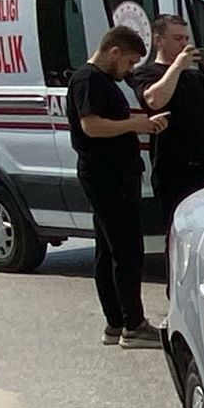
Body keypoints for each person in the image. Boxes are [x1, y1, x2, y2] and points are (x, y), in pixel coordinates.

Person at [68, 26, 169, 348]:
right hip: (105, 175)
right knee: (127, 251)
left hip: (113, 173)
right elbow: (91, 126)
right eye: (128, 62)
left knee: (108, 250)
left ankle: (115, 323)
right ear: (114, 52)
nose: (129, 70)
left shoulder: (101, 81)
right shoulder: (88, 80)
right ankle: (133, 325)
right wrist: (135, 125)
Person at [129, 15, 204, 229]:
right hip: (173, 167)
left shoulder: (196, 78)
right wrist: (176, 67)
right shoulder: (146, 73)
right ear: (158, 40)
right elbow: (154, 101)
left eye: (186, 39)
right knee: (177, 229)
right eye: (177, 38)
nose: (184, 44)